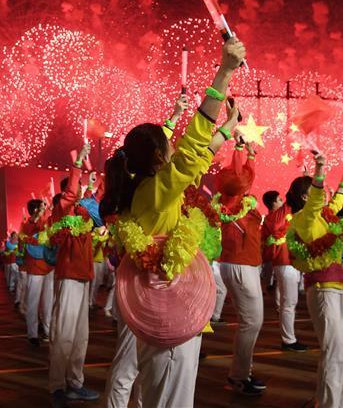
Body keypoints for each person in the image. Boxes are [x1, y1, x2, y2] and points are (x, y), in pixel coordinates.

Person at [101, 36, 245, 407]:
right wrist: (224, 71)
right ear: (156, 158)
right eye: (168, 145)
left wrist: (227, 127)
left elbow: (196, 158)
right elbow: (192, 150)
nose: (174, 147)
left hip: (160, 301)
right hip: (164, 307)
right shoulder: (154, 190)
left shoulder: (149, 189)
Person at [286, 154, 343, 408]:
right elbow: (318, 201)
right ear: (306, 197)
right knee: (334, 353)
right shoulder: (305, 218)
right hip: (323, 291)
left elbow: (334, 203)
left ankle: (335, 403)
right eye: (317, 191)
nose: (324, 195)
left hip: (334, 290)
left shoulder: (321, 217)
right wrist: (320, 169)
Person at [48, 143, 100, 406]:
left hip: (84, 276)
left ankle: (75, 383)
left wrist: (91, 184)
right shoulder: (61, 210)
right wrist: (78, 163)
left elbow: (92, 204)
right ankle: (58, 386)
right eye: (77, 188)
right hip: (68, 276)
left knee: (81, 335)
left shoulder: (82, 214)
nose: (79, 192)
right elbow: (70, 194)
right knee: (64, 333)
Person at [215, 142, 266, 395]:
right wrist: (238, 149)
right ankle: (238, 377)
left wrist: (250, 155)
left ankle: (241, 373)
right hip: (240, 264)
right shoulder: (232, 197)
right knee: (251, 322)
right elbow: (239, 176)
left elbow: (245, 176)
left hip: (243, 264)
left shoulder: (238, 198)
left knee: (251, 322)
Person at [265, 187, 308, 353]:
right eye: (279, 200)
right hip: (284, 262)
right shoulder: (275, 217)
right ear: (273, 203)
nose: (283, 203)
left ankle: (289, 338)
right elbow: (278, 227)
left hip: (288, 262)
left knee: (288, 302)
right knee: (289, 303)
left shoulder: (280, 216)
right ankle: (289, 340)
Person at [21, 197, 55, 345]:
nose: (45, 209)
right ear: (36, 210)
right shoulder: (27, 225)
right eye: (42, 207)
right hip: (35, 267)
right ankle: (32, 334)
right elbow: (32, 231)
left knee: (48, 303)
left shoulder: (47, 222)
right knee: (33, 302)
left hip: (48, 267)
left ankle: (48, 330)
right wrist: (39, 216)